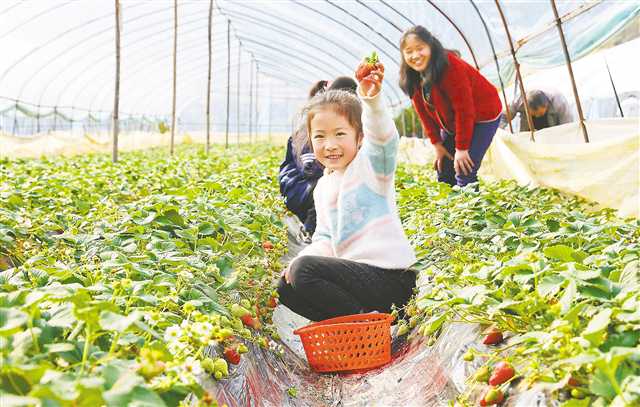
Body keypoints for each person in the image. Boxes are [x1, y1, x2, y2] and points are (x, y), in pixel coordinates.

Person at [276, 61, 417, 322]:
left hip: (391, 278)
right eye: (320, 137)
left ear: (360, 137)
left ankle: (367, 327)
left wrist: (372, 101)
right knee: (285, 287)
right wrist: (298, 261)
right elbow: (325, 238)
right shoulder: (323, 186)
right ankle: (356, 323)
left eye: (340, 134)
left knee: (304, 270)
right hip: (355, 279)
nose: (330, 145)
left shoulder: (371, 167)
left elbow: (383, 139)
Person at [399, 25, 502, 187]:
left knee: (464, 170)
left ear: (430, 46)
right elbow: (424, 115)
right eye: (409, 51)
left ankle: (469, 203)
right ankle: (450, 203)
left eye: (420, 48)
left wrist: (462, 148)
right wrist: (437, 145)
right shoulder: (412, 76)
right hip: (453, 122)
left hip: (483, 115)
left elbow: (464, 110)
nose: (415, 55)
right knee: (444, 169)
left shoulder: (450, 66)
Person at [278, 77, 357, 240]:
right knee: (329, 186)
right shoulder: (312, 129)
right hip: (296, 187)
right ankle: (311, 230)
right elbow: (309, 169)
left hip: (309, 184)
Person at [506, 89, 573, 131]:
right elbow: (504, 117)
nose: (537, 116)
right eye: (533, 114)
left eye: (540, 113)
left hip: (554, 129)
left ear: (546, 105)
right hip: (530, 131)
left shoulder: (559, 102)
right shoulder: (518, 102)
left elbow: (568, 127)